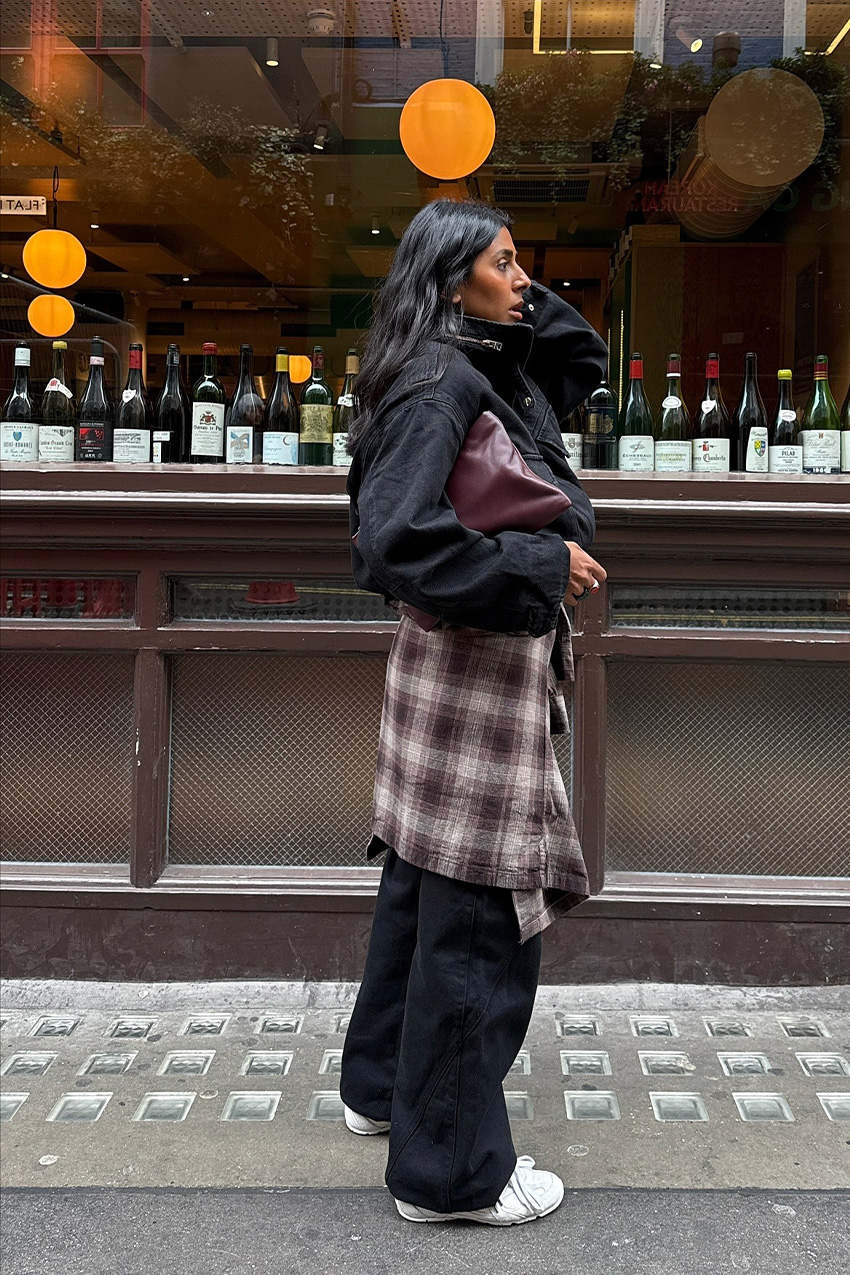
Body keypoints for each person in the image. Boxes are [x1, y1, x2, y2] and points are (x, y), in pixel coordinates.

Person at [340, 198, 608, 1227]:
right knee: (477, 919)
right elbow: (390, 544)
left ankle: (380, 1088)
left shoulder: (472, 363)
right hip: (477, 669)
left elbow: (575, 363)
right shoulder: (442, 383)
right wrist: (539, 561)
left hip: (458, 667)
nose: (526, 280)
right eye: (504, 263)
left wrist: (515, 290)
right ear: (452, 280)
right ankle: (447, 1175)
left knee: (422, 892)